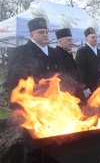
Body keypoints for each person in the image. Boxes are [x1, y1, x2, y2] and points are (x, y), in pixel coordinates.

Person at [7, 17, 62, 163]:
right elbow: (13, 81)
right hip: (31, 107)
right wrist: (18, 107)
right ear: (31, 35)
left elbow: (60, 77)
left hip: (53, 107)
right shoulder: (21, 52)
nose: (45, 34)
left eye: (46, 32)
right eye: (40, 32)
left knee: (54, 144)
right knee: (33, 146)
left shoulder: (55, 53)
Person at [75, 26, 100, 99]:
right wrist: (85, 87)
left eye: (96, 37)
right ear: (87, 39)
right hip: (90, 87)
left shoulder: (99, 52)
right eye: (93, 37)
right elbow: (80, 71)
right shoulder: (82, 52)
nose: (95, 39)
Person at [55, 28, 85, 102]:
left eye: (72, 40)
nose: (72, 43)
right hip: (68, 96)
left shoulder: (68, 53)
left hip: (76, 93)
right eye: (68, 40)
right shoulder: (56, 55)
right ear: (60, 41)